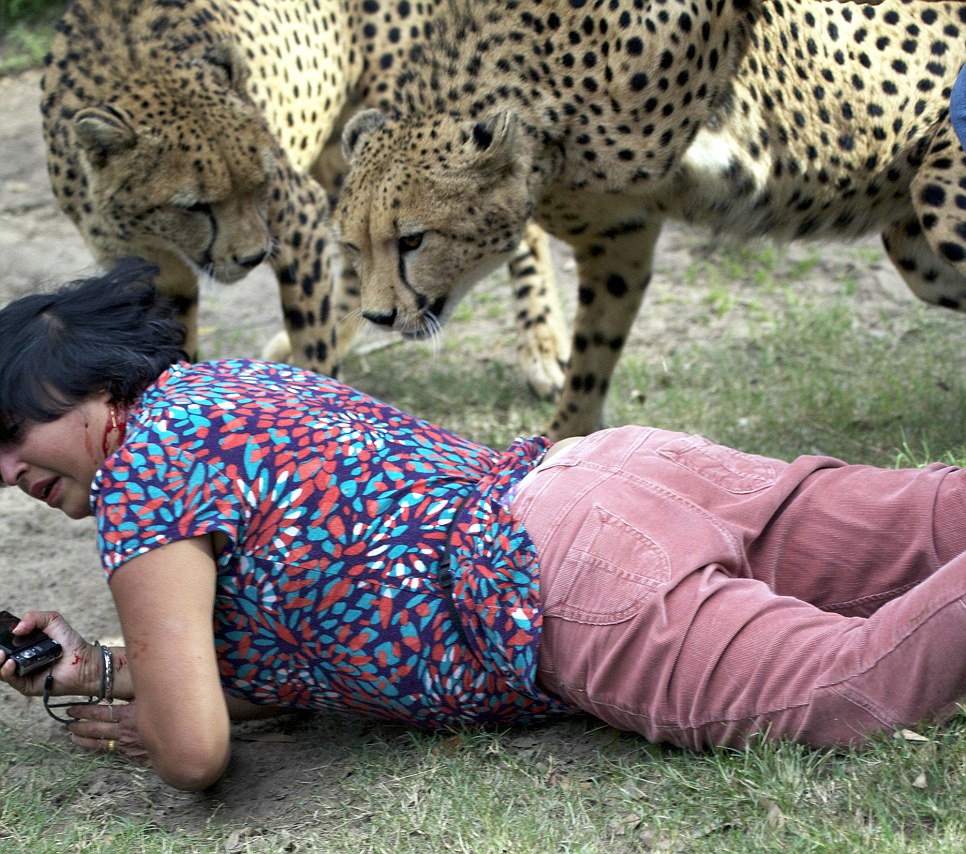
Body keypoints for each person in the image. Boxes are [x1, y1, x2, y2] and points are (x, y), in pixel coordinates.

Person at [0, 260, 965, 792]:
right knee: (930, 517)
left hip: (561, 585)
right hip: (603, 471)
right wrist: (107, 670)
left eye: (12, 434)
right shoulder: (217, 391)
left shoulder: (138, 478)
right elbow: (306, 642)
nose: (9, 473)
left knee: (854, 686)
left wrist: (161, 730)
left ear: (77, 387)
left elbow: (196, 752)